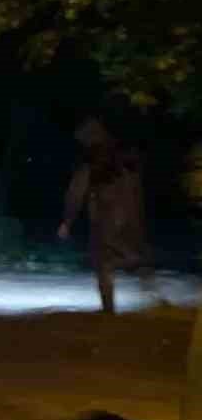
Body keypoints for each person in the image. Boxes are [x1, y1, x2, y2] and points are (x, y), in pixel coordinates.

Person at [59, 117, 154, 315]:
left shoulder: (91, 161)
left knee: (103, 262)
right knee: (132, 255)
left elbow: (76, 192)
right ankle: (152, 293)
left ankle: (108, 308)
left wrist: (67, 221)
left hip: (106, 216)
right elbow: (135, 190)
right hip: (130, 217)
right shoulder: (126, 158)